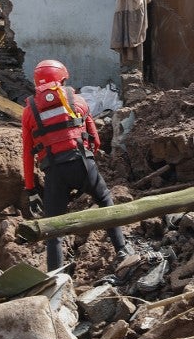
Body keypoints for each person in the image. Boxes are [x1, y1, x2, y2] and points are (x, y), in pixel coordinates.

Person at [21, 59, 131, 271]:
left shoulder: (29, 112)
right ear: (61, 79)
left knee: (53, 228)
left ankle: (55, 274)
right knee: (105, 202)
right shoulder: (78, 101)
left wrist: (31, 190)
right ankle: (122, 250)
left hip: (54, 171)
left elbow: (27, 153)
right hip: (82, 163)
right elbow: (95, 140)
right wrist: (89, 161)